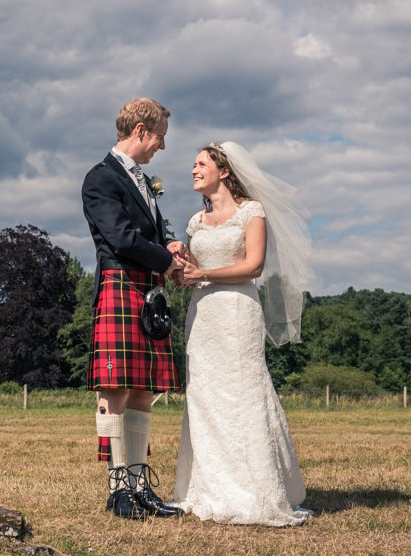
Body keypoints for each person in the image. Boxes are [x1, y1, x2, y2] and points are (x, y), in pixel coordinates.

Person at [173, 141, 314, 526]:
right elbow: (189, 270)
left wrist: (201, 274)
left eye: (201, 164)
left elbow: (253, 266)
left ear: (225, 170)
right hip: (201, 316)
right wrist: (178, 261)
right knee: (204, 395)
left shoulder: (252, 212)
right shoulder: (194, 222)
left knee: (244, 391)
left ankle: (257, 491)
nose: (193, 170)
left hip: (237, 312)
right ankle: (207, 488)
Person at [82, 97, 186, 520]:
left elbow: (144, 235)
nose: (162, 145)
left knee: (144, 389)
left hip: (146, 288)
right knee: (116, 390)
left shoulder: (142, 180)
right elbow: (123, 240)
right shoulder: (100, 178)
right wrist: (168, 260)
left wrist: (168, 246)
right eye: (160, 135)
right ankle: (118, 488)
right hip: (121, 286)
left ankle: (141, 485)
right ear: (141, 130)